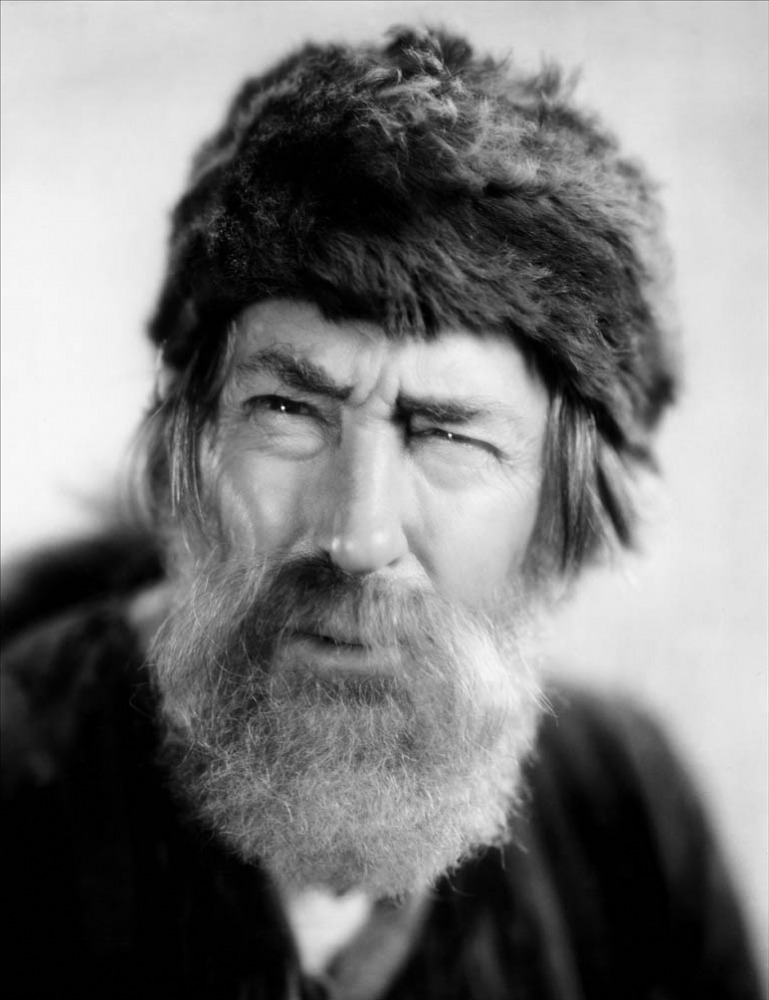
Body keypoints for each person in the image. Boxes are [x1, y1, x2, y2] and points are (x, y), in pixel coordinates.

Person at [1, 26, 761, 1000]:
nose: (357, 536)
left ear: (564, 512)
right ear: (188, 453)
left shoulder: (622, 817)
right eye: (288, 412)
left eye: (447, 436)